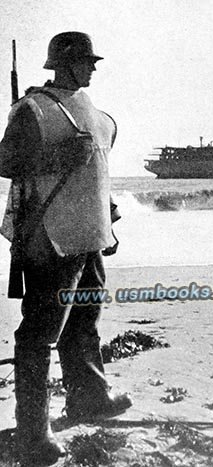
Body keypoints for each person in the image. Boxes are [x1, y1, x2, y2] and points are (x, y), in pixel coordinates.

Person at [0, 32, 132, 465]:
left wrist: (107, 213)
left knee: (84, 322)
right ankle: (33, 433)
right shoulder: (34, 109)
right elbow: (5, 163)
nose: (93, 67)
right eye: (86, 61)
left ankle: (89, 397)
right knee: (39, 335)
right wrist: (55, 160)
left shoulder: (99, 115)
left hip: (89, 236)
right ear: (64, 63)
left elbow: (98, 171)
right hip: (49, 238)